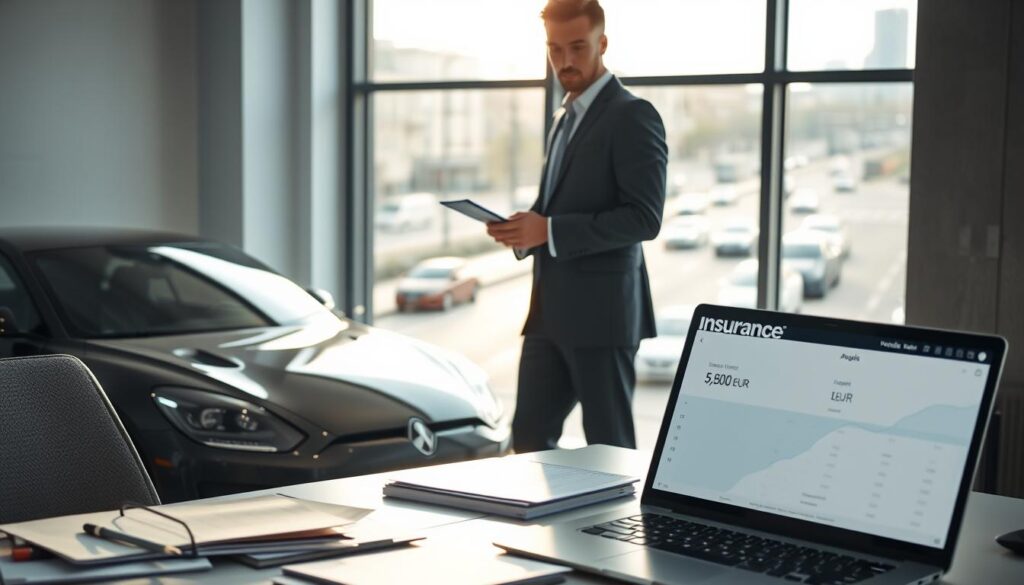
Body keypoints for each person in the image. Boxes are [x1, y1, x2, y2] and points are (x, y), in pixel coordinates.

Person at [486, 0, 667, 452]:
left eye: (577, 47)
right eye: (554, 49)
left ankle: (619, 527)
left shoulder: (632, 115)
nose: (565, 61)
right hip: (547, 315)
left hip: (603, 317)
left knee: (609, 448)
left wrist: (548, 231)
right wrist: (522, 229)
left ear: (602, 43)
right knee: (527, 440)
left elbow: (644, 218)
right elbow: (554, 204)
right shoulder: (562, 117)